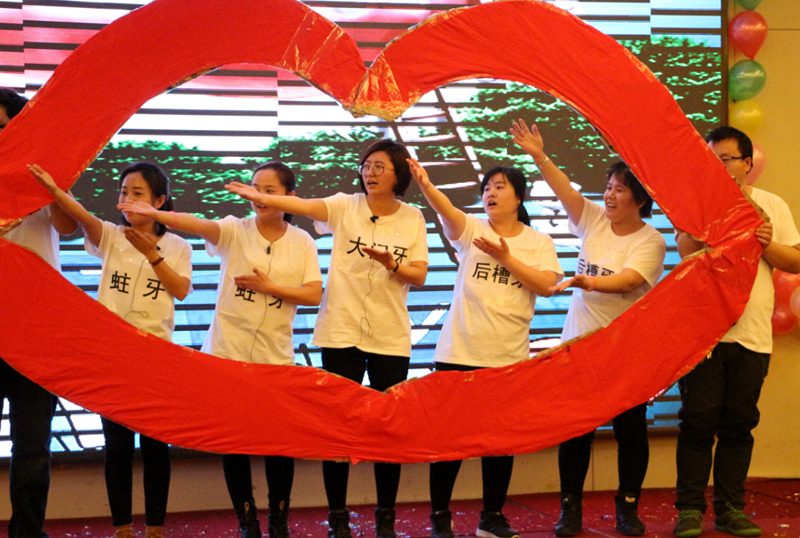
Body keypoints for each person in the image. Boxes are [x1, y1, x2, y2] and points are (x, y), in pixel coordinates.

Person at [225, 139, 429, 538]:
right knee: (338, 429)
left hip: (389, 335)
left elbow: (419, 275)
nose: (369, 173)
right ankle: (338, 518)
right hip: (340, 331)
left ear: (399, 174)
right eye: (366, 165)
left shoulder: (413, 218)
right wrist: (261, 197)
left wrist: (393, 264)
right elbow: (304, 206)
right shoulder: (344, 205)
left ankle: (385, 517)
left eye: (379, 167)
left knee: (388, 428)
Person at [119, 161, 323, 538]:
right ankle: (247, 520)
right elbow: (196, 224)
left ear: (290, 197)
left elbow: (313, 294)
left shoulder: (302, 241)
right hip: (228, 352)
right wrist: (155, 213)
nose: (257, 196)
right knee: (235, 441)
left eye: (269, 190)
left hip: (275, 357)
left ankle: (279, 519)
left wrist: (272, 288)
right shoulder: (235, 229)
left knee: (280, 443)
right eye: (253, 187)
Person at [510, 119, 666, 537]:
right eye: (608, 187)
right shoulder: (594, 219)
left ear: (639, 199)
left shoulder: (651, 241)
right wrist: (539, 155)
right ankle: (570, 509)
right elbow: (565, 191)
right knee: (576, 431)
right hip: (578, 348)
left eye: (619, 189)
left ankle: (627, 508)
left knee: (630, 432)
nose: (609, 195)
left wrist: (588, 282)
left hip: (625, 353)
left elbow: (629, 281)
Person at [28, 161, 193, 538]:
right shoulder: (113, 236)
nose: (127, 200)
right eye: (123, 192)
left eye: (138, 194)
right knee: (116, 446)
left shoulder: (178, 246)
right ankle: (122, 528)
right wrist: (55, 190)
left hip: (156, 358)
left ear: (160, 201)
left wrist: (153, 254)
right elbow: (82, 217)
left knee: (155, 447)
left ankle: (155, 528)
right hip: (114, 358)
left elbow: (181, 290)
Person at [406, 157, 563, 538]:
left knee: (500, 442)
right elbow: (447, 211)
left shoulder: (538, 242)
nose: (490, 193)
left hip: (507, 357)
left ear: (519, 197)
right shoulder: (473, 229)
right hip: (458, 352)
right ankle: (440, 516)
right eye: (487, 188)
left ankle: (491, 517)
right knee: (449, 440)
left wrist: (505, 257)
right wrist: (426, 186)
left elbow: (547, 286)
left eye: (499, 187)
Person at [671, 127, 800, 538]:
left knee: (739, 425)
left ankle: (730, 509)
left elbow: (794, 262)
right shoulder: (698, 203)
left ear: (747, 163)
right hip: (706, 334)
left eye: (726, 159)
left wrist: (765, 242)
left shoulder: (771, 205)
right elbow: (687, 252)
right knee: (697, 422)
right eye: (712, 160)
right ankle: (690, 510)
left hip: (753, 334)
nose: (719, 167)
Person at [1, 88, 77, 538]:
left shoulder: (43, 172)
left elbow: (67, 226)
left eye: (4, 127)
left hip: (37, 330)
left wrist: (47, 186)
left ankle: (27, 531)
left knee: (32, 446)